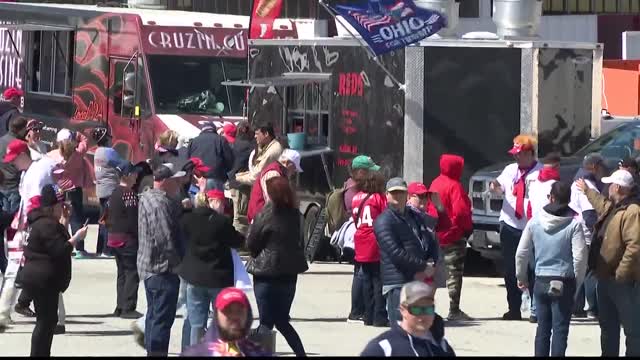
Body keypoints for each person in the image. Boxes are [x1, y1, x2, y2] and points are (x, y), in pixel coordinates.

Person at [515, 181, 587, 356]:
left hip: (540, 280)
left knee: (542, 329)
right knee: (560, 330)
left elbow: (521, 253)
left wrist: (521, 277)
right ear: (568, 200)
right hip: (564, 281)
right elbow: (580, 258)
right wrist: (577, 283)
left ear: (551, 198)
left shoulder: (534, 222)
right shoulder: (574, 225)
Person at [16, 185, 88, 356]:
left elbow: (56, 237)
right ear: (51, 207)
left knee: (48, 321)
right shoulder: (46, 225)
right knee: (45, 322)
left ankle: (41, 353)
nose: (63, 208)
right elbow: (60, 250)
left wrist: (65, 219)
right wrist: (77, 237)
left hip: (40, 277)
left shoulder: (43, 223)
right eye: (61, 205)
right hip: (43, 280)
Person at [576, 169, 640, 356]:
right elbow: (600, 204)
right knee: (608, 328)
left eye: (610, 184)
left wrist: (621, 274)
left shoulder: (633, 211)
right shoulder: (615, 206)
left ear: (618, 187)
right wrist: (587, 191)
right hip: (605, 279)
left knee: (633, 330)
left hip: (623, 282)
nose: (607, 187)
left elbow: (634, 246)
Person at [246, 176, 309, 357]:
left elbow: (252, 243)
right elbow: (300, 242)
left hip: (265, 272)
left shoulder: (264, 214)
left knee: (265, 322)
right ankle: (300, 354)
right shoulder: (296, 215)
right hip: (289, 273)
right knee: (281, 320)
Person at [0, 139, 57, 332]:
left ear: (23, 155)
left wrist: (26, 227)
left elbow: (34, 203)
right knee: (15, 270)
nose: (12, 163)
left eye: (14, 159)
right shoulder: (27, 172)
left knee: (20, 270)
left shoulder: (35, 173)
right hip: (26, 225)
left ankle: (4, 312)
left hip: (32, 227)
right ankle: (4, 312)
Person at [178, 189, 244, 347]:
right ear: (212, 201)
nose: (223, 206)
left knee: (196, 323)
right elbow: (237, 241)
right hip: (218, 278)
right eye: (221, 203)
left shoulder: (187, 219)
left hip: (194, 277)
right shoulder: (221, 222)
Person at [489, 134, 543, 321]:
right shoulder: (510, 170)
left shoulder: (540, 173)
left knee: (533, 268)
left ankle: (536, 309)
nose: (516, 157)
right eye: (515, 154)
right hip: (510, 224)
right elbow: (499, 186)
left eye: (520, 154)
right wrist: (494, 186)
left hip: (532, 226)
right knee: (511, 269)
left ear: (530, 153)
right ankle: (514, 308)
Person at [374, 178, 440, 327]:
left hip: (418, 283)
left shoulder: (415, 216)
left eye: (401, 192)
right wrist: (423, 267)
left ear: (407, 195)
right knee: (401, 333)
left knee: (419, 330)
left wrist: (432, 260)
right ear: (387, 195)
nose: (398, 196)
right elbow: (396, 254)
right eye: (394, 192)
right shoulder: (383, 221)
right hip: (398, 285)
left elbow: (431, 238)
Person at [137, 162, 186, 356]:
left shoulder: (149, 197)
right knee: (161, 320)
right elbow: (165, 238)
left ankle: (152, 352)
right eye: (175, 180)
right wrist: (179, 264)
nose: (179, 184)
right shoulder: (159, 204)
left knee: (154, 316)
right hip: (162, 269)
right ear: (165, 181)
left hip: (150, 268)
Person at [427, 154, 473, 321]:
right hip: (453, 234)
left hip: (435, 234)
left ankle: (428, 307)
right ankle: (454, 310)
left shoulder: (435, 183)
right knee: (454, 273)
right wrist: (466, 228)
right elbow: (461, 211)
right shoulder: (455, 186)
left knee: (433, 273)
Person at [360, 281, 455, 357]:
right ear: (402, 310)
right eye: (416, 309)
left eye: (428, 309)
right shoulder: (383, 348)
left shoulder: (442, 346)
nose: (423, 315)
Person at [349, 170, 388, 327]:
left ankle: (368, 315)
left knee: (366, 280)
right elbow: (386, 217)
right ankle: (379, 316)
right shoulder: (379, 198)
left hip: (360, 240)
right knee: (378, 280)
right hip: (375, 240)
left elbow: (354, 218)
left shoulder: (356, 198)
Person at [344, 155, 381, 324]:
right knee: (372, 279)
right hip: (372, 241)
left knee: (363, 276)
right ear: (361, 172)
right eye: (371, 171)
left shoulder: (355, 194)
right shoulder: (372, 196)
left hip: (360, 238)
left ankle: (364, 312)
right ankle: (365, 311)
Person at [182, 287, 271, 356]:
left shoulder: (259, 353)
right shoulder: (196, 354)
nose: (234, 316)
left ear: (248, 315)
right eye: (227, 311)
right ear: (216, 315)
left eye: (239, 311)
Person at [570, 153, 606, 320]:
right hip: (586, 234)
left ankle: (577, 307)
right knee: (590, 272)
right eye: (601, 166)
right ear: (594, 167)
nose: (602, 169)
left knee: (580, 271)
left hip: (579, 233)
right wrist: (598, 233)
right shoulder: (586, 185)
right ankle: (592, 308)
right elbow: (590, 215)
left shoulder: (579, 181)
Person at [47, 128, 93, 258]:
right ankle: (80, 248)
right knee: (77, 217)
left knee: (61, 217)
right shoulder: (78, 154)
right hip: (74, 189)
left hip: (59, 189)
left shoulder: (53, 155)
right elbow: (85, 140)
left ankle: (62, 243)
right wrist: (78, 133)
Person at [107, 163, 144, 319]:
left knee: (121, 273)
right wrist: (140, 237)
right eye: (134, 174)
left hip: (114, 238)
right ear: (127, 175)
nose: (136, 177)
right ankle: (128, 307)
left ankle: (120, 306)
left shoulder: (114, 192)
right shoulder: (128, 194)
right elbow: (133, 220)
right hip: (127, 239)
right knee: (131, 273)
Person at [93, 127, 129, 259]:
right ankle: (107, 250)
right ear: (106, 139)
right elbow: (123, 164)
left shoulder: (97, 152)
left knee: (102, 220)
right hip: (111, 190)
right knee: (109, 221)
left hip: (101, 190)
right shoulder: (109, 152)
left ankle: (99, 248)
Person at [246, 149, 303, 224]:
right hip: (261, 217)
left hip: (266, 216)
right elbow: (272, 200)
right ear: (288, 163)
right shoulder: (273, 173)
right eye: (294, 168)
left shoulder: (279, 172)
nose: (294, 171)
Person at [186, 121, 234, 191]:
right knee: (215, 200)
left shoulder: (193, 141)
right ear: (214, 129)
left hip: (197, 179)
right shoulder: (221, 140)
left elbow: (188, 160)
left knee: (198, 201)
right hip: (215, 177)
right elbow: (229, 160)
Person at [235, 122, 284, 187]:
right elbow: (254, 171)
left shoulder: (273, 151)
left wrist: (236, 178)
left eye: (257, 134)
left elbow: (256, 176)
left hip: (269, 189)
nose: (255, 136)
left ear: (266, 134)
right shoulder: (266, 146)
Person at [227, 121, 254, 234]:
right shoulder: (249, 146)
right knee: (241, 217)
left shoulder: (233, 144)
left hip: (233, 183)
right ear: (245, 130)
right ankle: (240, 247)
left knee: (237, 214)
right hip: (242, 185)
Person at [0, 116, 28, 215]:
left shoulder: (1, 140)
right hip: (14, 188)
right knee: (13, 219)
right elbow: (26, 166)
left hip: (2, 186)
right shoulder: (20, 145)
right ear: (21, 129)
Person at [528, 152, 561, 219]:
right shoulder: (555, 185)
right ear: (557, 166)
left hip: (535, 222)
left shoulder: (533, 182)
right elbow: (560, 208)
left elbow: (529, 207)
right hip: (550, 223)